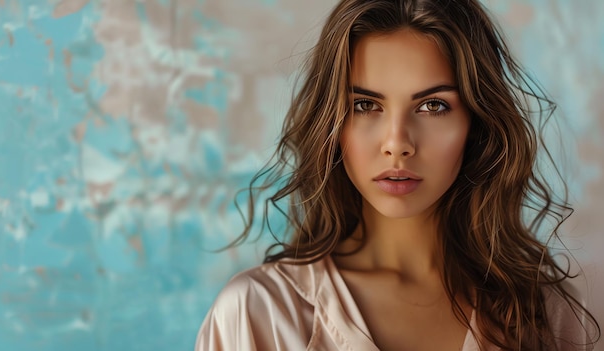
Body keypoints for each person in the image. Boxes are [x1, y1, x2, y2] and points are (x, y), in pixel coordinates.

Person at [196, 0, 600, 350]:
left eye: (433, 107)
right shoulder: (257, 314)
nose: (397, 143)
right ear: (331, 125)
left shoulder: (543, 315)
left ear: (477, 124)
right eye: (366, 105)